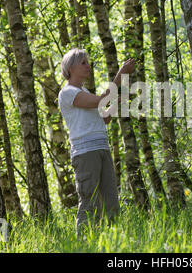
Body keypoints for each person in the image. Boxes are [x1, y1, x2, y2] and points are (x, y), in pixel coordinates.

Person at [58, 48, 135, 238]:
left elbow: (105, 119)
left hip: (102, 149)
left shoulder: (85, 92)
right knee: (90, 201)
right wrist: (121, 74)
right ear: (70, 67)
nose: (88, 66)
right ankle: (83, 244)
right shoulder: (67, 93)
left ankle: (112, 243)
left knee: (111, 202)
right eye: (83, 62)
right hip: (85, 154)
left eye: (88, 62)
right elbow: (101, 100)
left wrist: (118, 101)